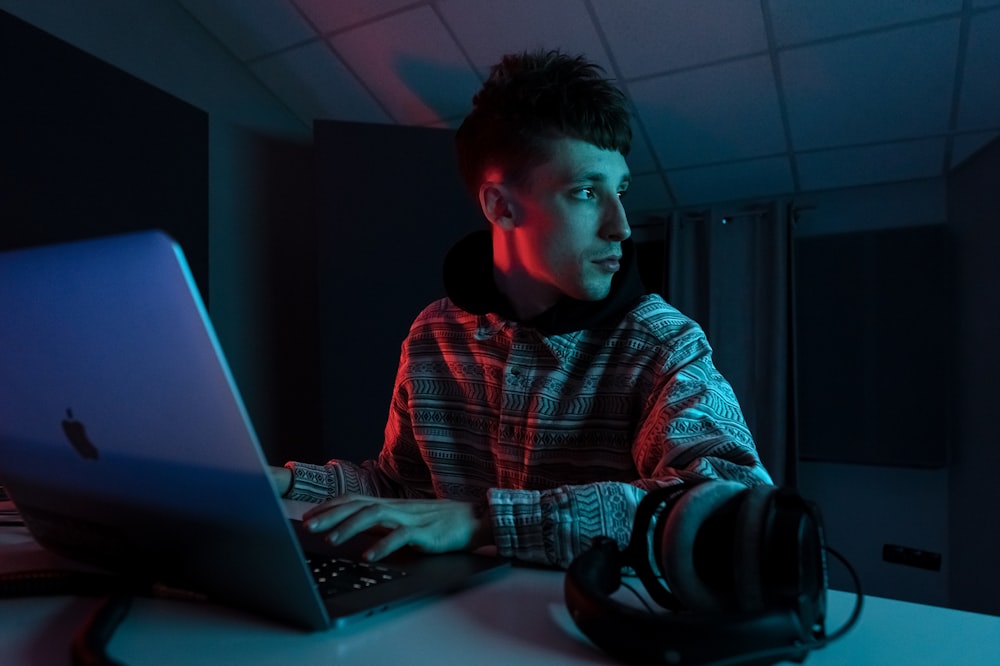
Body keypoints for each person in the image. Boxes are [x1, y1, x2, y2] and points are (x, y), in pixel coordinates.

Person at [269, 49, 772, 569]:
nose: (620, 225)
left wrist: (483, 522)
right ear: (500, 206)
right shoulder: (433, 334)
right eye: (585, 191)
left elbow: (735, 504)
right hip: (444, 625)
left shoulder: (661, 340)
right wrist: (284, 480)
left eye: (619, 190)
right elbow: (400, 487)